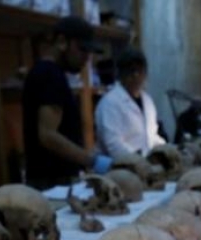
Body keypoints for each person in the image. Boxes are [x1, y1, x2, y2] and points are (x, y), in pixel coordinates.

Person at [22, 16, 113, 189]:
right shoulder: (49, 74)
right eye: (82, 50)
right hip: (52, 182)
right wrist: (92, 160)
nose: (87, 58)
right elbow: (48, 135)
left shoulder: (49, 72)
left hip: (54, 180)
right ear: (62, 41)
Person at [94, 47, 165, 158]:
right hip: (120, 167)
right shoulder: (110, 103)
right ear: (121, 74)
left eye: (140, 71)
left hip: (146, 164)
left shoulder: (147, 101)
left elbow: (151, 136)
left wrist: (166, 149)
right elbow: (114, 145)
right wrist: (138, 161)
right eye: (131, 71)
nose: (136, 76)